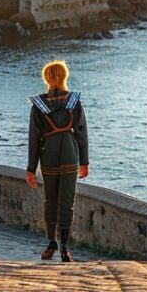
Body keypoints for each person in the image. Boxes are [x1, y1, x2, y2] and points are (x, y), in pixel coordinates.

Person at [25, 60, 89, 262]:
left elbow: (34, 139)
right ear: (65, 76)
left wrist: (30, 168)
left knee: (50, 201)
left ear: (46, 78)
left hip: (49, 155)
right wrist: (85, 161)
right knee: (67, 202)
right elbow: (81, 133)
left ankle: (51, 242)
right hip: (69, 153)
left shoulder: (39, 105)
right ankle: (65, 247)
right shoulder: (74, 101)